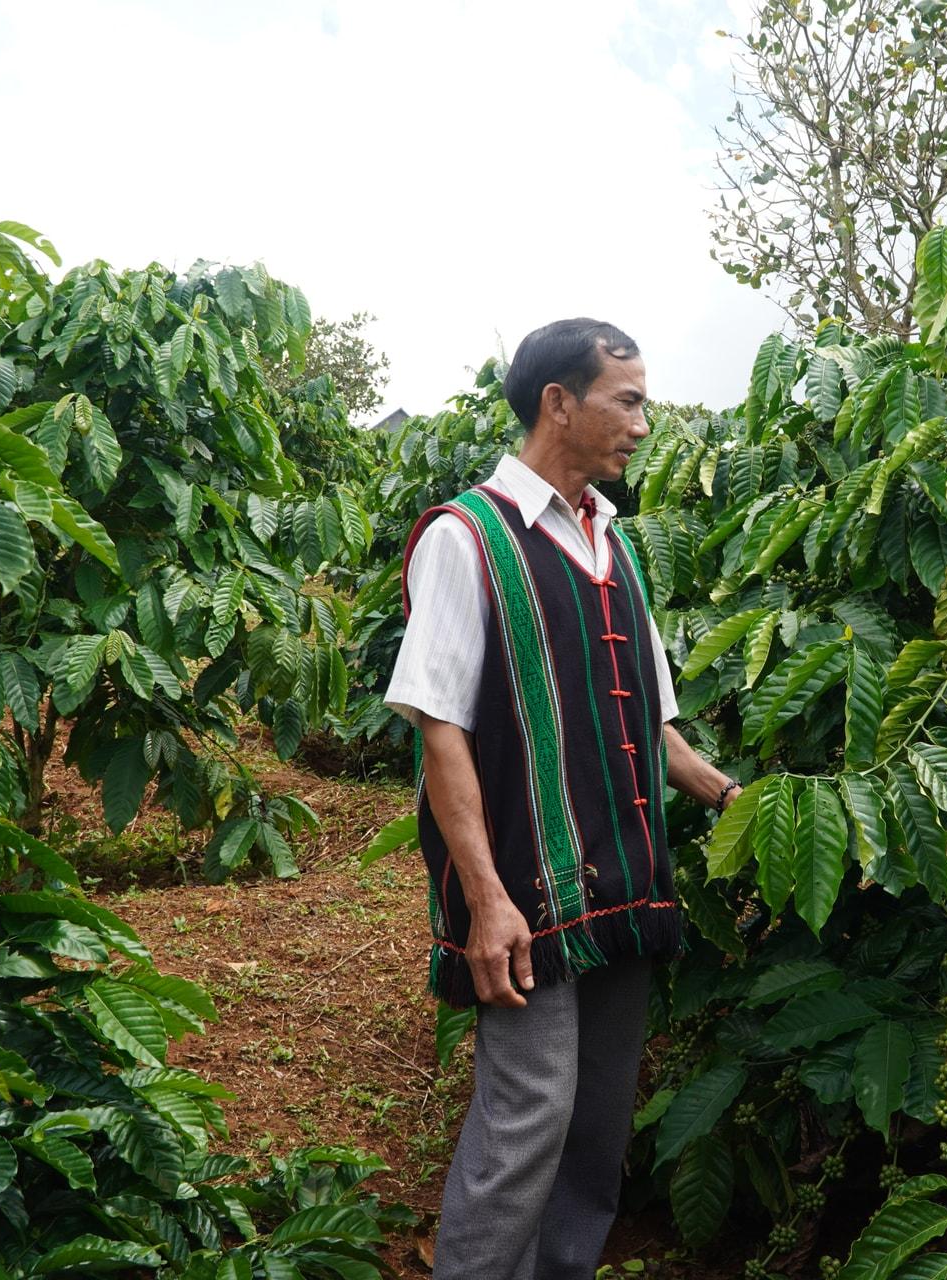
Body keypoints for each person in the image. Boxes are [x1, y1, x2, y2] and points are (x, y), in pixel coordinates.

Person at [384, 318, 739, 1280]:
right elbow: (439, 725)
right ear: (559, 404)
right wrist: (487, 899)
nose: (642, 424)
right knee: (529, 1114)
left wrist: (728, 793)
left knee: (597, 1120)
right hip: (525, 888)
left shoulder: (614, 542)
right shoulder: (468, 537)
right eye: (627, 401)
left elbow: (654, 728)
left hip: (624, 877)